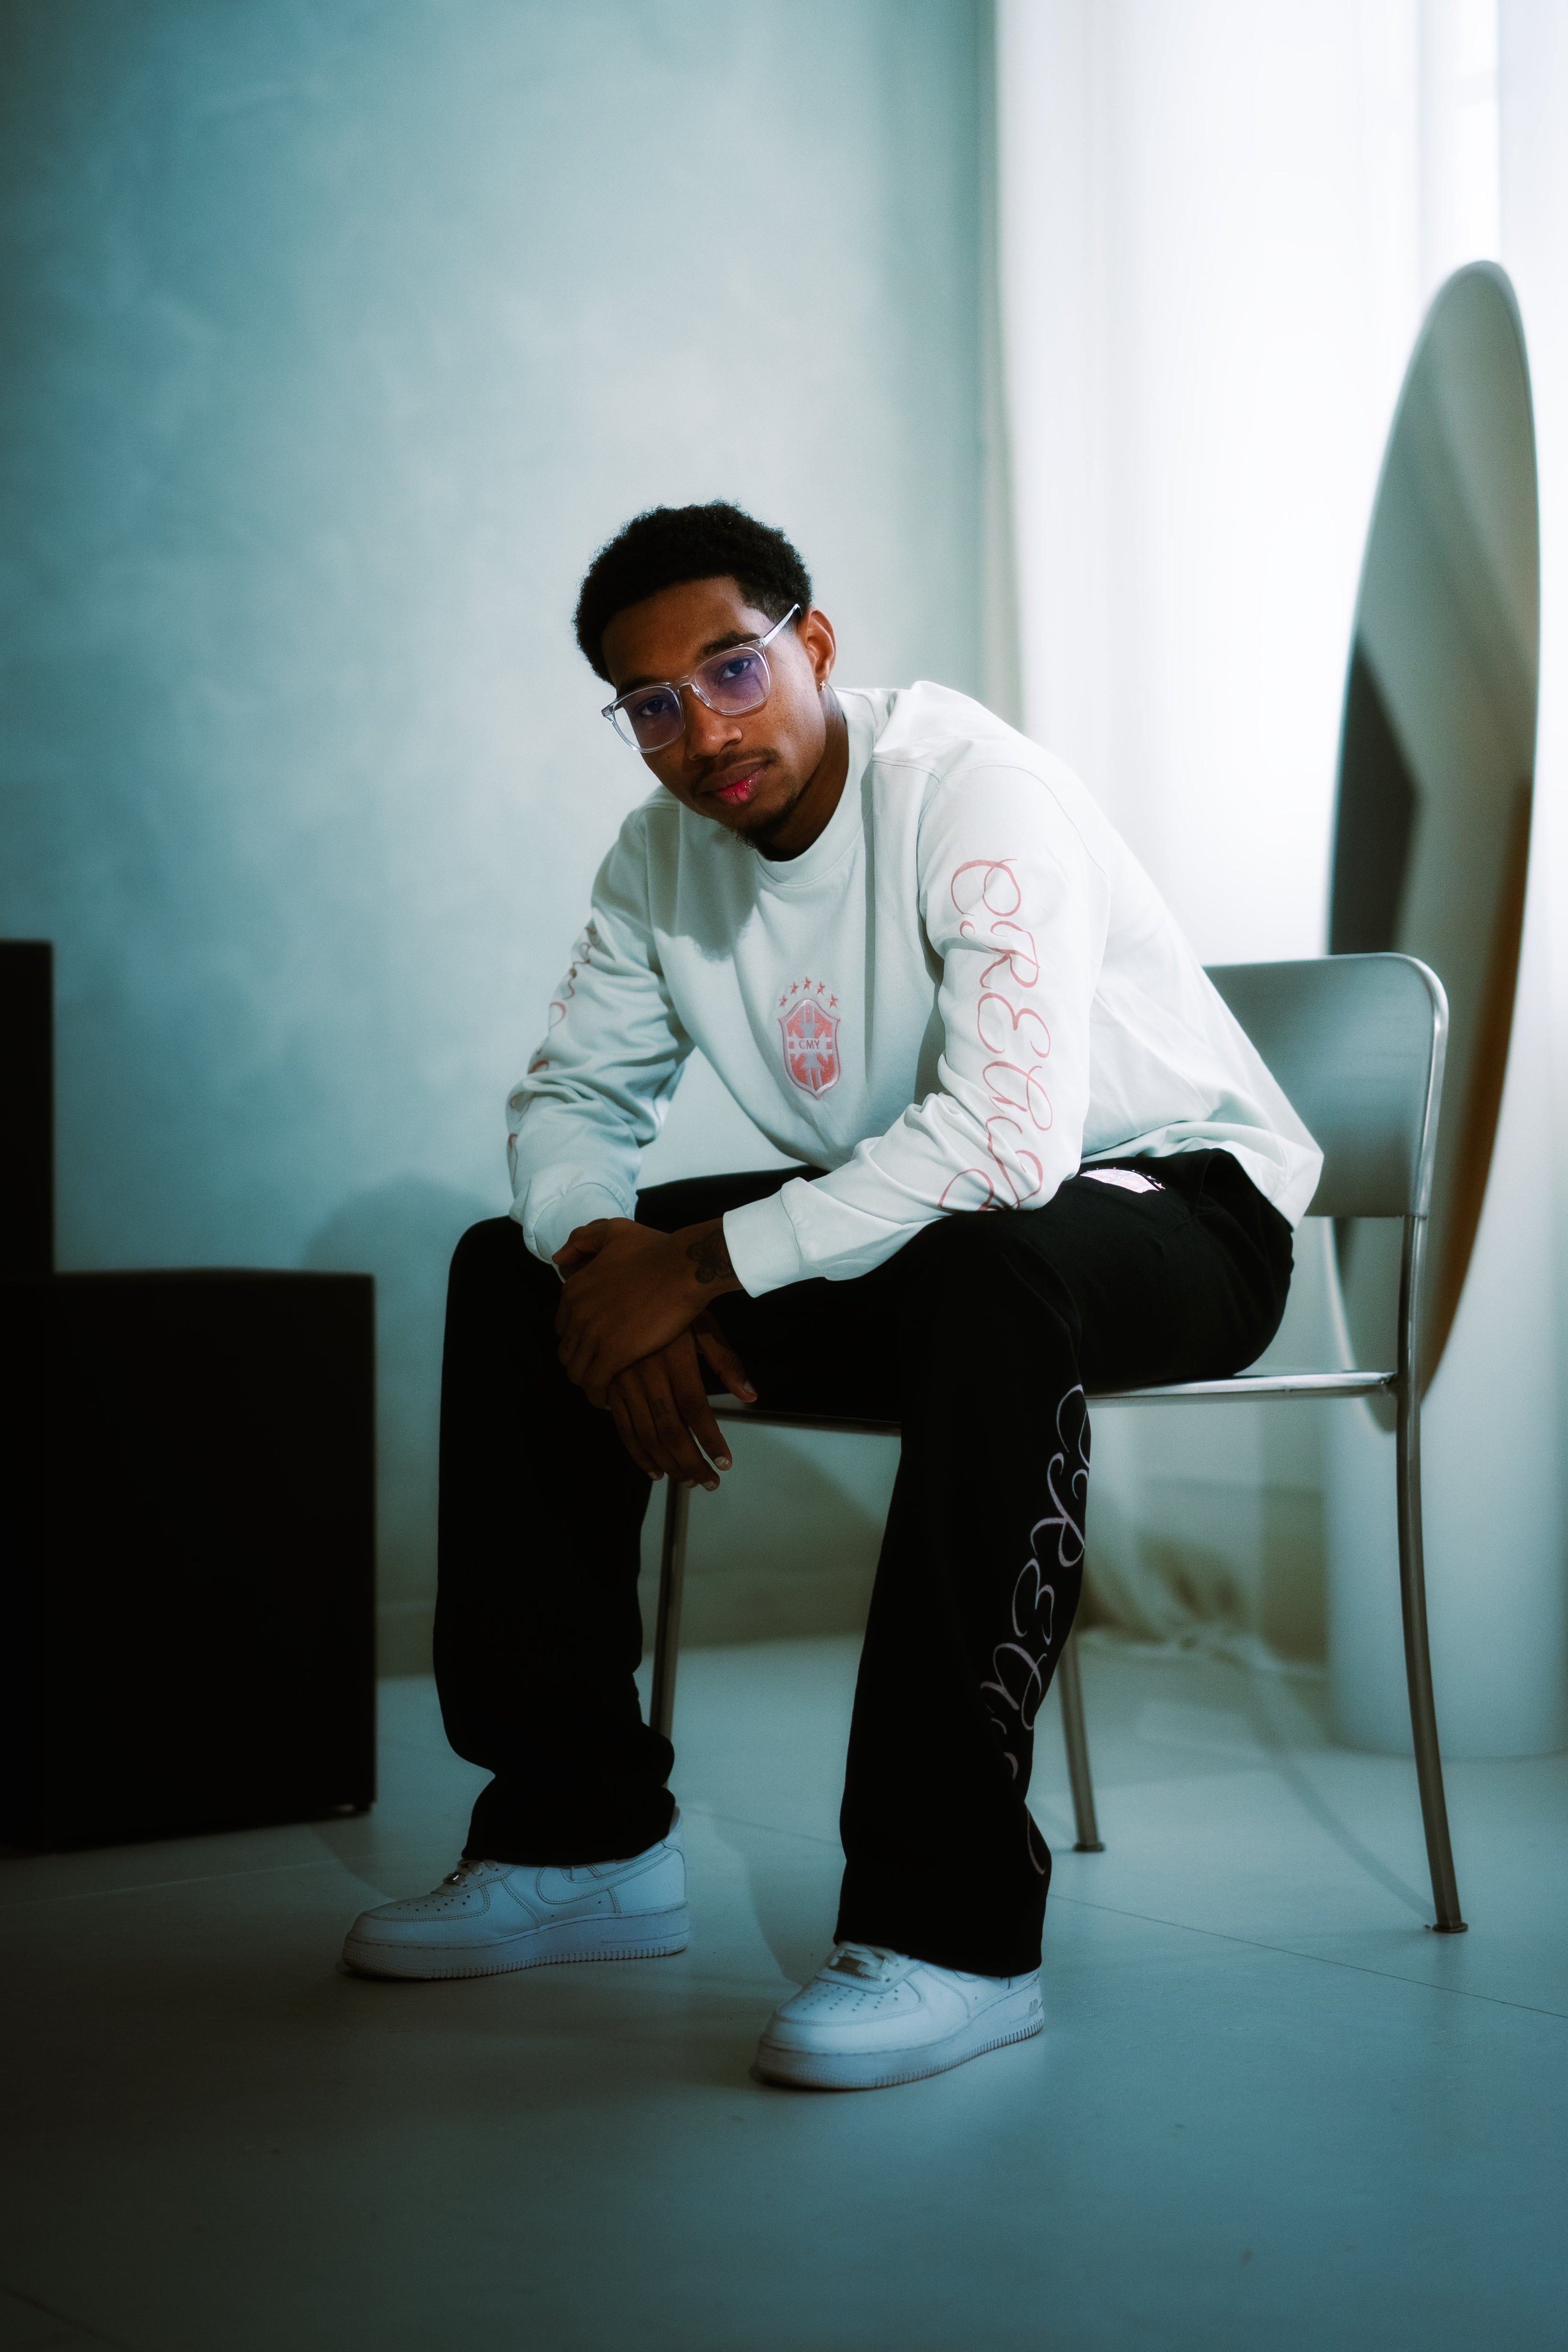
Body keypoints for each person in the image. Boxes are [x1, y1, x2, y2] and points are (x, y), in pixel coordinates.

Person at [342, 502, 1321, 2091]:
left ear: (811, 644)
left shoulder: (969, 789)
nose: (703, 730)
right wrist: (605, 1276)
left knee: (998, 1273)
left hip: (1176, 1206)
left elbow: (1010, 1143)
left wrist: (697, 1269)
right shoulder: (658, 858)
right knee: (510, 1271)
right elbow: (572, 1106)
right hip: (926, 1215)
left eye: (732, 669)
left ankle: (953, 1930)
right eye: (651, 705)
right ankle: (577, 1840)